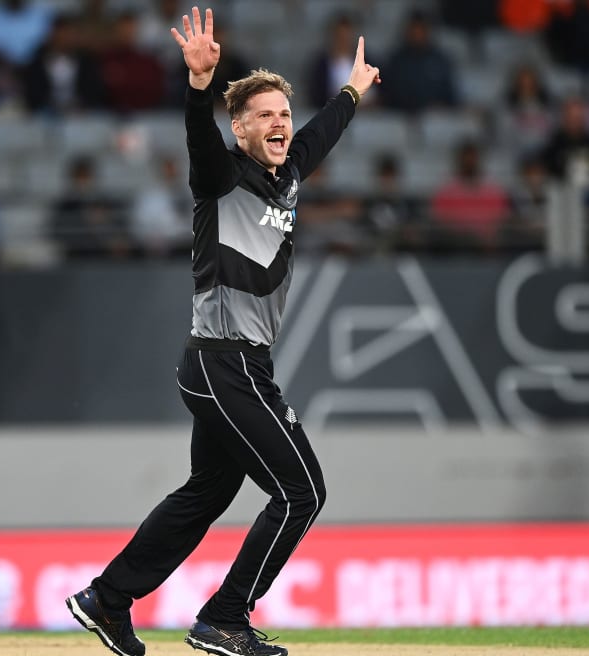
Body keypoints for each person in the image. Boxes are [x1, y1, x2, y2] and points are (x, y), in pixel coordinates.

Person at [65, 7, 379, 656]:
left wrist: (350, 91)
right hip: (223, 362)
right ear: (239, 129)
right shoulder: (221, 174)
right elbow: (196, 139)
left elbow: (321, 133)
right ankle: (225, 617)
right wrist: (200, 86)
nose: (280, 124)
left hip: (236, 366)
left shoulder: (285, 176)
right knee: (302, 492)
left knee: (206, 493)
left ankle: (108, 598)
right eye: (264, 115)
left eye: (283, 115)